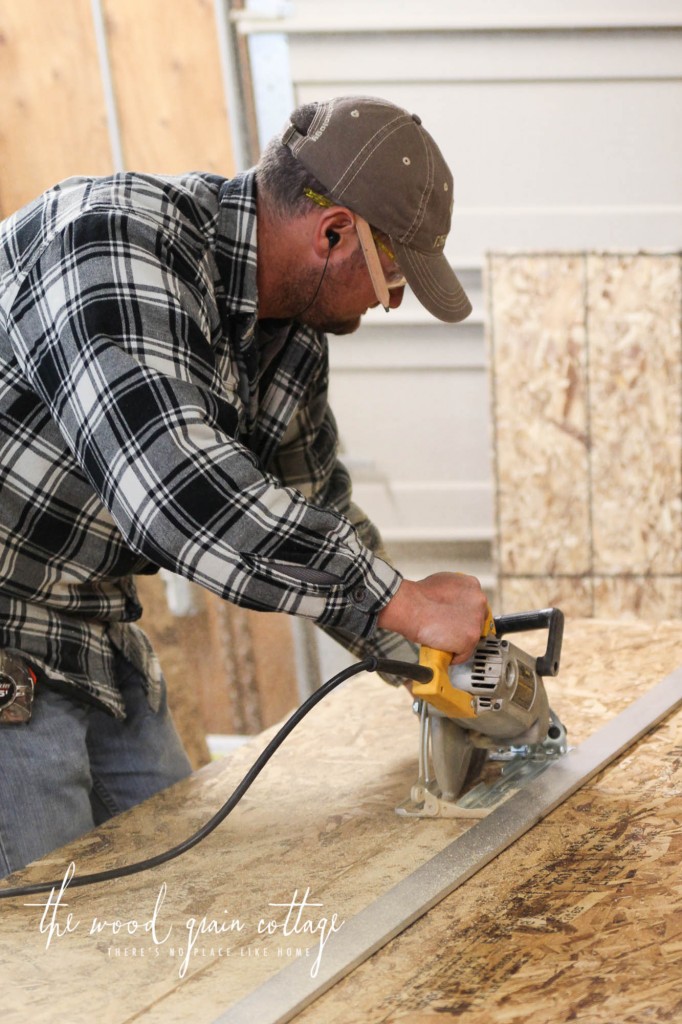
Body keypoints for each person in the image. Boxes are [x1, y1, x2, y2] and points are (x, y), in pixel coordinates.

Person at [0, 95, 488, 878]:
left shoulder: (289, 339)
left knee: (171, 897)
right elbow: (173, 492)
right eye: (392, 279)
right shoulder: (112, 240)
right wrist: (403, 597)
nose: (384, 306)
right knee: (46, 955)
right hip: (6, 632)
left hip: (90, 632)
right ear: (334, 233)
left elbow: (314, 508)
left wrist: (468, 680)